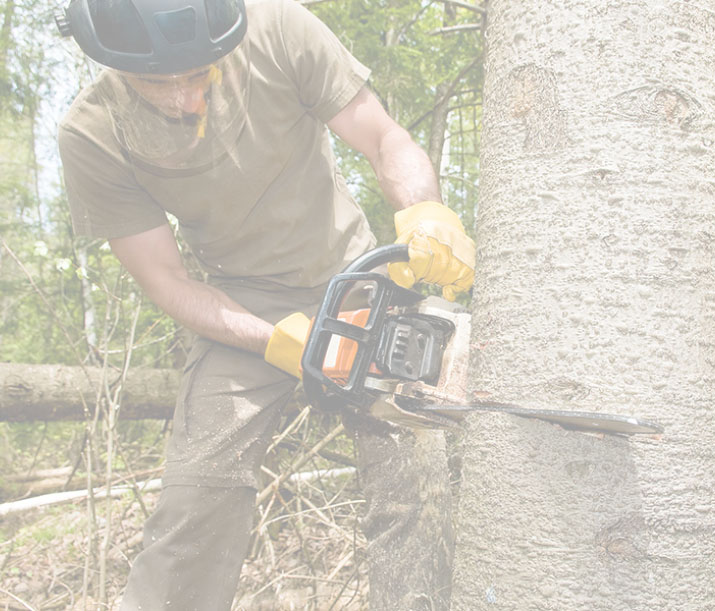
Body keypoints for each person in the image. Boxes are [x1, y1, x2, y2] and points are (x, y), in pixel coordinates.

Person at [55, 0, 473, 608]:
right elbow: (167, 280)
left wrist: (426, 211)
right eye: (158, 84)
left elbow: (385, 138)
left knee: (414, 484)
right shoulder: (92, 133)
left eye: (200, 73)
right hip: (237, 305)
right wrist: (273, 340)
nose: (186, 100)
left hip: (356, 280)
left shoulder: (279, 28)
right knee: (199, 492)